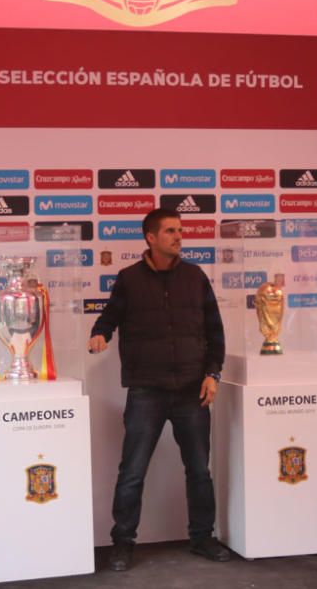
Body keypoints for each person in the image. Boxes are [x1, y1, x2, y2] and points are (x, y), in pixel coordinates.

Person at [87, 208, 231, 571]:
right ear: (150, 237)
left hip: (191, 391)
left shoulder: (196, 277)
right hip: (146, 391)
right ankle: (122, 543)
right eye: (170, 231)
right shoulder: (128, 279)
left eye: (180, 230)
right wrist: (99, 333)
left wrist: (213, 374)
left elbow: (215, 333)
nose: (179, 236)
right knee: (132, 470)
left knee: (199, 469)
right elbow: (109, 316)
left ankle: (202, 536)